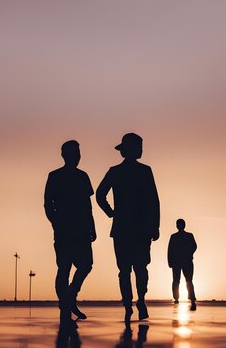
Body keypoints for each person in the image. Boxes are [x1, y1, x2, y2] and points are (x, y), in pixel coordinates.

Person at [96, 133, 160, 322]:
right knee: (140, 268)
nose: (141, 150)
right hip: (140, 229)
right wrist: (154, 226)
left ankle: (129, 304)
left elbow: (100, 195)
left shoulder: (115, 172)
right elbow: (154, 201)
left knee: (125, 270)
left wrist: (111, 212)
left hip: (123, 229)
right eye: (139, 147)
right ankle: (139, 300)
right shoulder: (144, 171)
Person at [44, 140, 96, 327]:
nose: (78, 157)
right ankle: (66, 306)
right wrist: (56, 223)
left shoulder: (83, 177)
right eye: (75, 153)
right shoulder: (54, 176)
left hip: (81, 230)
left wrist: (92, 227)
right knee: (64, 268)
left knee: (86, 265)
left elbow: (88, 205)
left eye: (79, 153)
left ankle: (70, 296)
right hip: (64, 231)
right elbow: (47, 205)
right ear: (66, 155)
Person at [168, 218, 197, 310]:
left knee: (180, 280)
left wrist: (189, 253)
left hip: (182, 261)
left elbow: (194, 246)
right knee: (186, 280)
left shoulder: (177, 236)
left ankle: (181, 298)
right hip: (183, 261)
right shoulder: (184, 236)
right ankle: (188, 298)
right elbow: (170, 250)